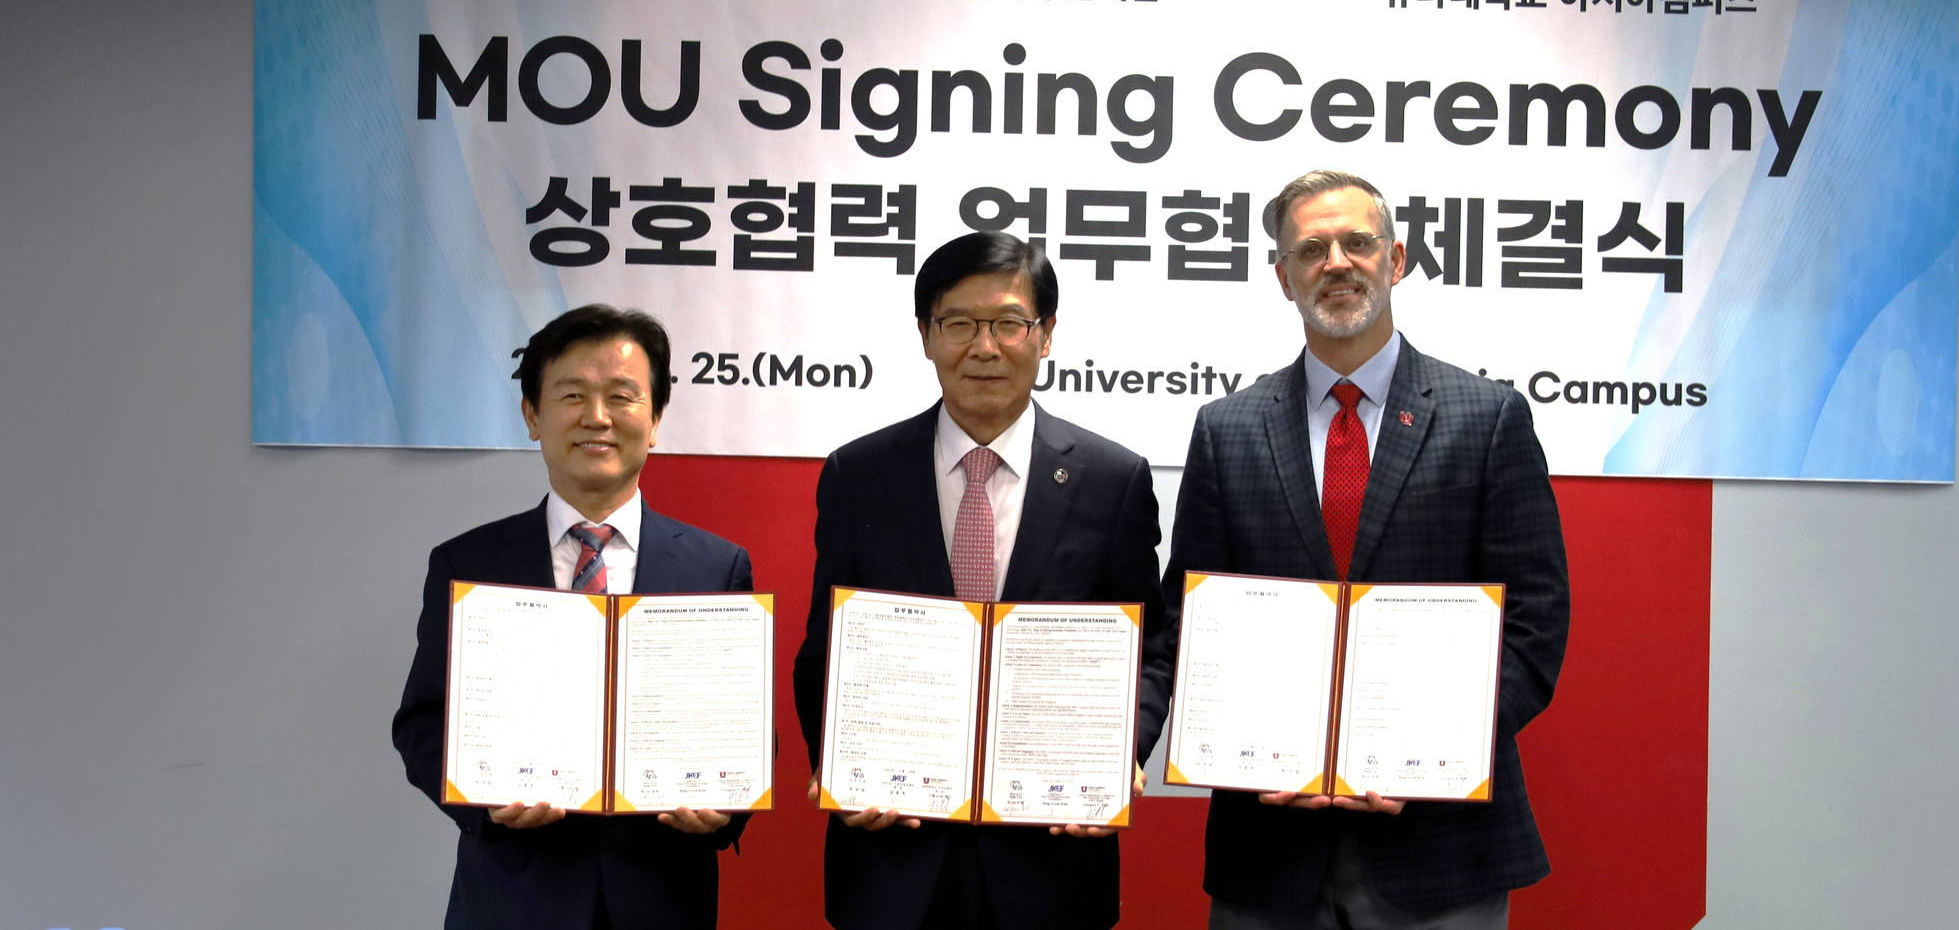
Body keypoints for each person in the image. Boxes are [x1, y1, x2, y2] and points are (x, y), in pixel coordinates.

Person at [1163, 170, 1570, 929]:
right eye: (1311, 249)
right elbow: (1188, 622)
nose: (1337, 263)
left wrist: (1420, 754)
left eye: (1357, 243)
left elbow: (1535, 627)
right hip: (1269, 843)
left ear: (1397, 259)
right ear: (1282, 277)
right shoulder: (1227, 430)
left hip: (1441, 843)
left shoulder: (1487, 420)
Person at [794, 231, 1172, 930]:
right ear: (926, 336)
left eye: (1007, 324)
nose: (984, 348)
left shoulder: (1112, 479)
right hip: (893, 851)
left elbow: (1150, 646)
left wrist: (1120, 752)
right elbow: (826, 649)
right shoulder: (858, 474)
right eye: (959, 325)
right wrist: (841, 763)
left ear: (1046, 334)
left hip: (1050, 853)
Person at [392, 305, 753, 930]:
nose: (597, 418)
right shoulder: (468, 563)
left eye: (622, 396)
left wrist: (727, 805)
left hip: (663, 897)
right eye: (572, 395)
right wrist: (481, 801)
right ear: (532, 415)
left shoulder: (716, 566)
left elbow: (745, 731)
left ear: (658, 419)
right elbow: (423, 724)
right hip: (513, 897)